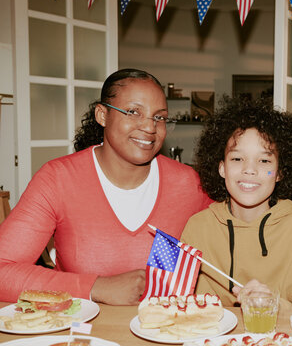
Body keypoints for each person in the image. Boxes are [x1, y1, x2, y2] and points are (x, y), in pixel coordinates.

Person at [0, 69, 212, 305]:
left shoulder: (188, 183)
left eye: (159, 117)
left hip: (166, 334)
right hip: (84, 335)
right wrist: (95, 287)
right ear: (102, 115)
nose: (150, 127)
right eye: (133, 112)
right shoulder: (58, 179)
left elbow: (238, 238)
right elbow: (3, 270)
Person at [181, 96, 292, 311]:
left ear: (279, 172)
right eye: (237, 159)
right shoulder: (198, 229)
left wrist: (271, 304)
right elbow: (192, 310)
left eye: (264, 161)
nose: (249, 169)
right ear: (221, 167)